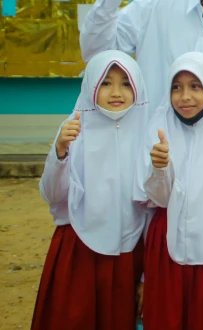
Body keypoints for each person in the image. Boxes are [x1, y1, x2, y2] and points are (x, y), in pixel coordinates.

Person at [32, 51, 149, 330]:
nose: (116, 92)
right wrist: (61, 152)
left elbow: (151, 205)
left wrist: (146, 274)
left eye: (126, 83)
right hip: (79, 247)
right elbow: (53, 195)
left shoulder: (147, 132)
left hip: (128, 250)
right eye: (106, 83)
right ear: (91, 86)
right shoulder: (74, 128)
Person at [135, 52, 203, 330]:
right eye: (176, 87)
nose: (184, 97)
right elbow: (156, 199)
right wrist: (160, 169)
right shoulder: (159, 124)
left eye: (195, 86)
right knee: (169, 313)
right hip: (167, 238)